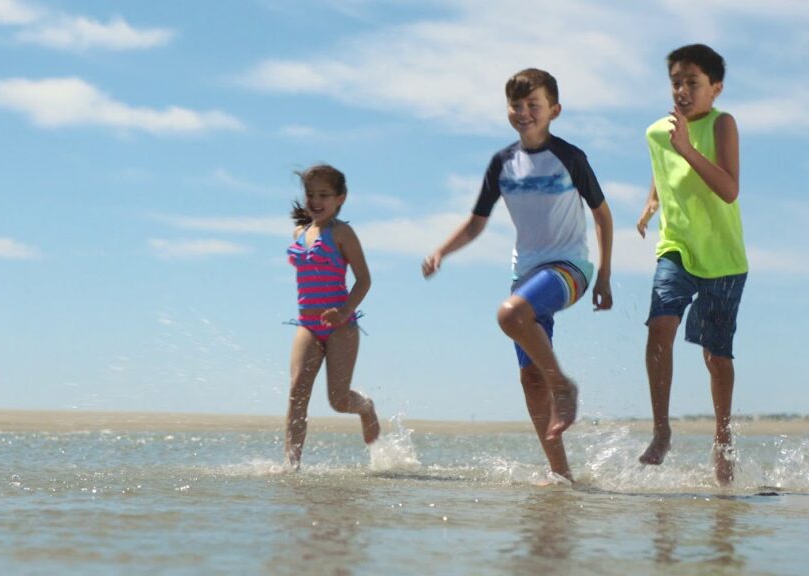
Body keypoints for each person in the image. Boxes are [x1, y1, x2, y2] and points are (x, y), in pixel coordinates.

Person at [422, 69, 614, 482]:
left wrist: (604, 275)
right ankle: (562, 475)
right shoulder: (503, 162)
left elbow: (602, 215)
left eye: (534, 105)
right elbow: (476, 224)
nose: (524, 112)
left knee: (510, 317)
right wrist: (442, 251)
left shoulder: (570, 157)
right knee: (529, 378)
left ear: (554, 110)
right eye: (517, 105)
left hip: (570, 269)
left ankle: (563, 387)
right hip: (524, 276)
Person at [636, 44, 747, 486]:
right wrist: (650, 204)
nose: (682, 90)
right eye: (676, 82)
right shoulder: (656, 133)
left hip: (722, 257)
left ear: (715, 88)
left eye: (693, 83)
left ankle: (722, 440)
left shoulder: (723, 124)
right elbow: (661, 174)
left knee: (716, 358)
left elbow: (729, 189)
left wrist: (685, 147)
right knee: (659, 326)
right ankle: (662, 431)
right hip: (676, 247)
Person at [285, 164, 380, 469]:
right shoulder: (300, 232)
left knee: (338, 401)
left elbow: (364, 279)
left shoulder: (342, 233)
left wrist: (344, 311)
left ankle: (365, 407)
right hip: (308, 326)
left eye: (324, 194)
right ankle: (291, 465)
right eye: (311, 194)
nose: (315, 200)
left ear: (341, 198)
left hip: (341, 327)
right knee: (297, 392)